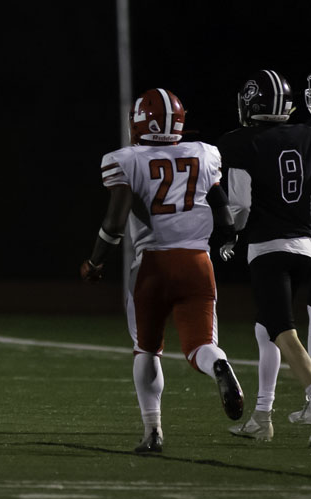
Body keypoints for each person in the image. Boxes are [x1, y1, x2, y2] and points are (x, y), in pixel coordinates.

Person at [80, 87, 243, 453]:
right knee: (202, 345)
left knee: (147, 349)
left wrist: (96, 261)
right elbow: (222, 208)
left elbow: (115, 221)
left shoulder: (126, 159)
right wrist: (228, 237)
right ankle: (218, 365)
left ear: (138, 122)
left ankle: (153, 431)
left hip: (152, 266)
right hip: (197, 263)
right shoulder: (204, 154)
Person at [217, 70, 311, 443]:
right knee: (264, 330)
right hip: (307, 245)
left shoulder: (241, 142)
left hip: (270, 249)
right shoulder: (305, 133)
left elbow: (239, 204)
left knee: (283, 333)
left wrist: (230, 233)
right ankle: (262, 417)